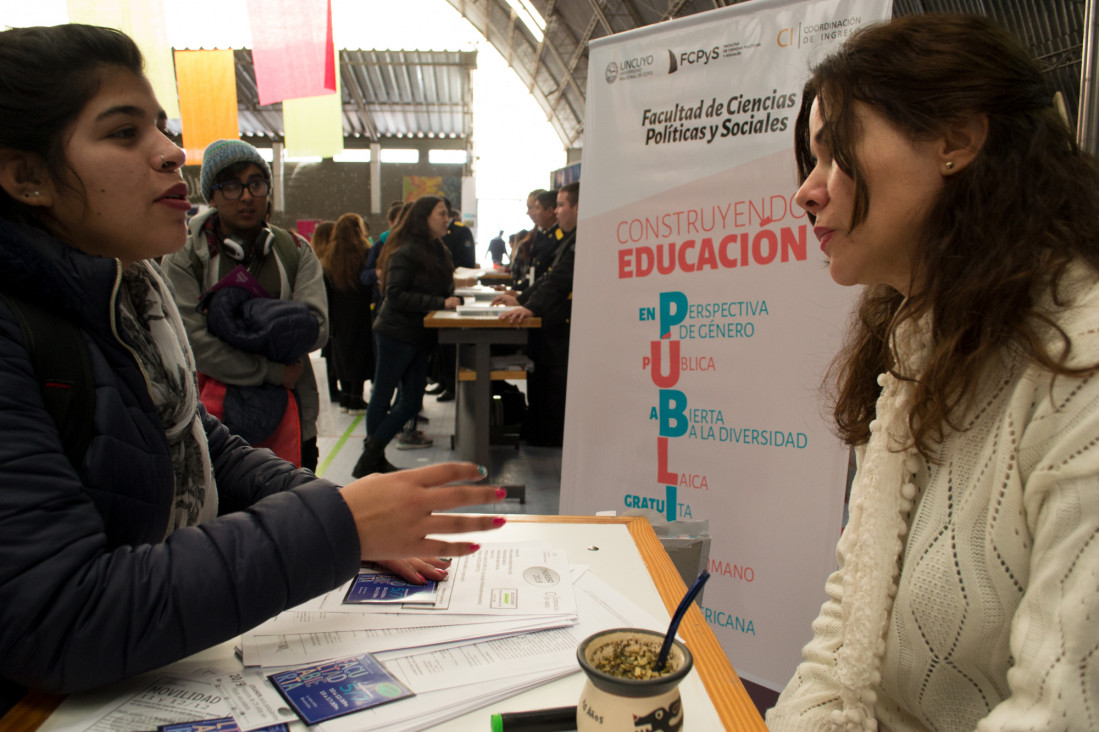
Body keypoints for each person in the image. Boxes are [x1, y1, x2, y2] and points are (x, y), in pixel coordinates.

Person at [0, 24, 504, 714]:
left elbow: (195, 442)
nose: (171, 152)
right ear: (27, 176)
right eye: (124, 133)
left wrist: (341, 516)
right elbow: (58, 617)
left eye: (162, 127)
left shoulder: (128, 294)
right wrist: (338, 526)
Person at [766, 14, 1099, 731]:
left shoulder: (1083, 368)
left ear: (955, 141)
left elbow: (1060, 711)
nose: (807, 192)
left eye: (833, 154)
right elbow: (846, 629)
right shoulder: (917, 345)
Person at [163, 138, 327, 470]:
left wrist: (232, 327)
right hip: (214, 421)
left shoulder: (295, 250)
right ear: (211, 195)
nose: (247, 195)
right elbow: (193, 345)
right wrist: (273, 369)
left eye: (256, 183)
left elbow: (318, 329)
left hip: (293, 413)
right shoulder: (186, 257)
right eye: (232, 186)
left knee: (295, 513)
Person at [352, 195, 460, 477]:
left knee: (411, 401)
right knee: (384, 394)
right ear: (423, 217)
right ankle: (372, 458)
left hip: (419, 335)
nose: (446, 217)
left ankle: (371, 456)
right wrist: (440, 303)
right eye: (440, 213)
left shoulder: (436, 248)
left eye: (446, 213)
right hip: (396, 333)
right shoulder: (406, 250)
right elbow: (396, 295)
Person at [491, 182, 578, 446]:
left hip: (562, 325)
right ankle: (538, 430)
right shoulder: (568, 240)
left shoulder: (579, 240)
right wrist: (521, 298)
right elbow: (547, 279)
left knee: (553, 384)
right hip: (550, 321)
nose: (557, 212)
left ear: (577, 207)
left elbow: (561, 280)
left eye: (562, 205)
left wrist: (530, 306)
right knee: (541, 380)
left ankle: (548, 435)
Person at [319, 213, 374, 414]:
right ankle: (357, 398)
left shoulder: (330, 254)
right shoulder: (365, 252)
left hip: (337, 312)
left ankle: (346, 397)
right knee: (360, 353)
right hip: (360, 311)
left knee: (342, 353)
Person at [309, 220, 340, 403]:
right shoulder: (326, 262)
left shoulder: (315, 259)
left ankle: (330, 387)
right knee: (331, 353)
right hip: (330, 313)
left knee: (328, 353)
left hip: (325, 312)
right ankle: (331, 387)